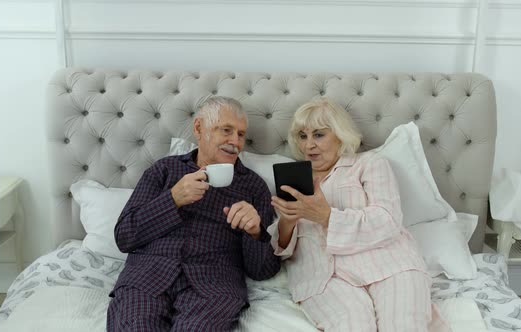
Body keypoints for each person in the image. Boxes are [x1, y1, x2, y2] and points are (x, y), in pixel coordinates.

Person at [268, 97, 450, 332]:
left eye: (319, 135)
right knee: (353, 326)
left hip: (390, 265)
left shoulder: (370, 164)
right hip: (325, 279)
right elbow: (281, 249)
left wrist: (327, 216)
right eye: (303, 136)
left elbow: (388, 220)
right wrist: (287, 223)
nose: (308, 145)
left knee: (403, 326)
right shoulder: (293, 181)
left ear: (340, 135)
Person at [107, 96, 281, 331]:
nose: (235, 142)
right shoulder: (164, 170)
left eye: (241, 134)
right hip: (147, 277)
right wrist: (173, 199)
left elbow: (262, 271)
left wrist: (255, 232)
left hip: (214, 286)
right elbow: (124, 236)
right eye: (226, 130)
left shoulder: (253, 187)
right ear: (199, 128)